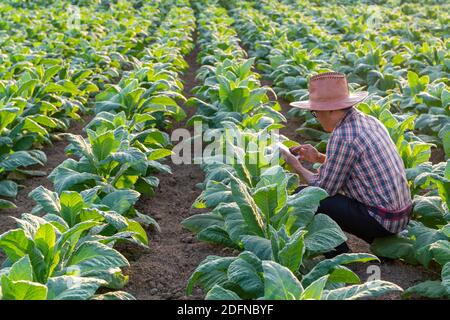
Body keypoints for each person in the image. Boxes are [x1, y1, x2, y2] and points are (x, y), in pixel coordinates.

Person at [280, 71, 412, 257]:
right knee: (312, 196)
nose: (315, 117)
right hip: (400, 215)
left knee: (306, 197)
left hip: (381, 220)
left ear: (331, 110)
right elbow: (356, 167)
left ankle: (339, 256)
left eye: (316, 112)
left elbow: (323, 189)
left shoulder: (343, 135)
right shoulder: (369, 121)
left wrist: (296, 165)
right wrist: (318, 157)